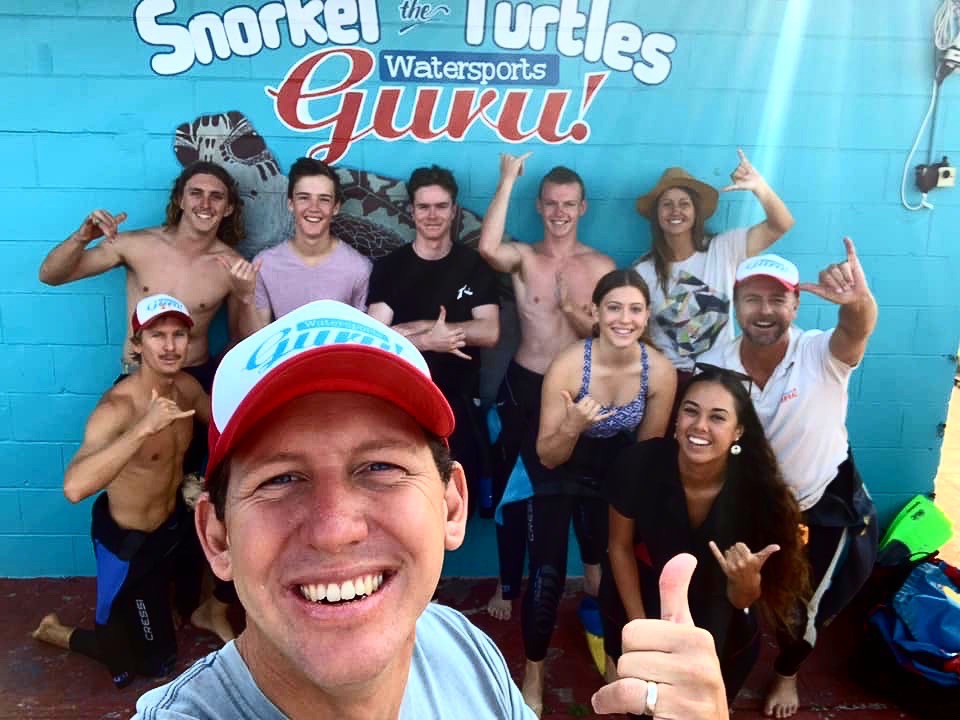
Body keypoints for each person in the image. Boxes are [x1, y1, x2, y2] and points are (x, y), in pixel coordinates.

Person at [131, 299, 730, 720]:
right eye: (282, 478)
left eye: (381, 468)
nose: (337, 529)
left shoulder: (457, 646)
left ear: (452, 505)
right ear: (217, 537)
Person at [698, 239, 879, 718]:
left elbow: (856, 327)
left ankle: (786, 673)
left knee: (802, 610)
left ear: (796, 303)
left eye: (777, 298)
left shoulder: (822, 352)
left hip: (821, 499)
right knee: (729, 594)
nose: (764, 310)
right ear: (736, 304)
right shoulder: (715, 364)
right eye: (752, 299)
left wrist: (858, 299)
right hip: (749, 503)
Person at [32, 295, 210, 689]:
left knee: (189, 593)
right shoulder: (117, 408)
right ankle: (58, 632)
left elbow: (221, 423)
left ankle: (179, 608)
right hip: (128, 545)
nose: (169, 346)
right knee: (154, 664)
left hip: (171, 528)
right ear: (137, 343)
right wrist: (144, 428)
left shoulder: (187, 388)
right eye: (156, 335)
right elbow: (75, 487)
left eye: (178, 334)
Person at [606, 367, 809, 706]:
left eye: (717, 417)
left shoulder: (757, 495)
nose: (700, 426)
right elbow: (619, 547)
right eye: (690, 411)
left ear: (737, 432)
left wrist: (745, 580)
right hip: (642, 597)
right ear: (676, 419)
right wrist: (641, 630)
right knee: (642, 705)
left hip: (720, 622)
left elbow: (744, 601)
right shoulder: (638, 463)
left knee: (701, 707)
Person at [521, 269, 676, 714]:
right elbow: (548, 454)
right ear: (596, 312)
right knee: (547, 575)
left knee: (613, 569)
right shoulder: (570, 364)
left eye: (634, 309)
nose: (623, 319)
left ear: (647, 316)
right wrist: (572, 425)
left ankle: (614, 661)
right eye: (614, 308)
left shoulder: (658, 372)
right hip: (558, 460)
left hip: (614, 468)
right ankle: (534, 670)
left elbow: (646, 458)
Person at [478, 152, 616, 624]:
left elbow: (616, 335)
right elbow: (487, 247)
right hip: (524, 384)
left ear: (583, 209)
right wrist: (506, 180)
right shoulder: (525, 258)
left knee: (583, 487)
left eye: (569, 204)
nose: (560, 213)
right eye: (551, 203)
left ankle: (592, 575)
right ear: (539, 206)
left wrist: (579, 317)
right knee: (511, 491)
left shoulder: (601, 266)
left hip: (579, 389)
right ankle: (507, 580)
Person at [38, 160, 256, 386]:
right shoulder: (135, 245)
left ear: (228, 208)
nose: (205, 204)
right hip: (137, 376)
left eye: (216, 197)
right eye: (196, 193)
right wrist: (80, 238)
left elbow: (244, 341)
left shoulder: (233, 267)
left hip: (194, 378)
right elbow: (50, 276)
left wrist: (246, 296)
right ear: (180, 200)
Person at [367, 165, 499, 508]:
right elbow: (375, 338)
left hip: (458, 408)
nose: (432, 215)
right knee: (403, 503)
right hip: (400, 408)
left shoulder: (475, 265)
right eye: (424, 206)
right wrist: (429, 340)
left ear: (454, 210)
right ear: (411, 210)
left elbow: (490, 330)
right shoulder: (389, 267)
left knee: (453, 506)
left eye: (441, 206)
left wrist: (416, 330)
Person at [633, 149, 794, 385]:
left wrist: (759, 186)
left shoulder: (724, 248)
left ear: (696, 212)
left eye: (684, 204)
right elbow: (639, 333)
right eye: (666, 204)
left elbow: (781, 224)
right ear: (657, 215)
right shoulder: (642, 271)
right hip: (668, 381)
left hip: (722, 376)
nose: (675, 211)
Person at [240, 157, 371, 333]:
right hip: (285, 359)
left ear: (336, 207)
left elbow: (363, 336)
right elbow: (259, 337)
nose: (313, 207)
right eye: (304, 198)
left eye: (324, 199)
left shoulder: (359, 268)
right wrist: (246, 297)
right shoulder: (265, 265)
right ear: (290, 204)